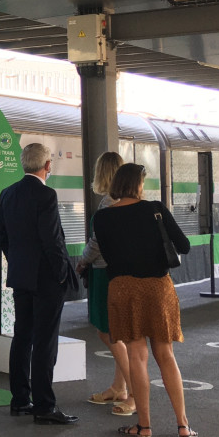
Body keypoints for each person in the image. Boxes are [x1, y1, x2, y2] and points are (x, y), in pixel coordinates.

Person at [91, 162, 197, 437]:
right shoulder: (155, 209)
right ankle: (183, 425)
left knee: (137, 356)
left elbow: (108, 254)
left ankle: (145, 426)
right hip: (157, 288)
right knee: (166, 355)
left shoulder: (101, 218)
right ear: (137, 185)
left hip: (122, 288)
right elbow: (183, 246)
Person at [0, 142, 80, 425]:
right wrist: (60, 274)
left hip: (20, 276)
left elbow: (3, 238)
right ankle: (45, 406)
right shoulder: (46, 195)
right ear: (47, 166)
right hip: (46, 279)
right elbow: (53, 240)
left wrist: (19, 262)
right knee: (45, 342)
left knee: (23, 337)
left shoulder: (7, 194)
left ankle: (20, 399)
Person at [74, 151, 134, 417]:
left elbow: (96, 243)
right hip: (122, 272)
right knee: (118, 332)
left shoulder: (107, 204)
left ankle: (133, 393)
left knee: (107, 332)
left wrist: (82, 262)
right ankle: (118, 388)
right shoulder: (127, 202)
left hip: (104, 274)